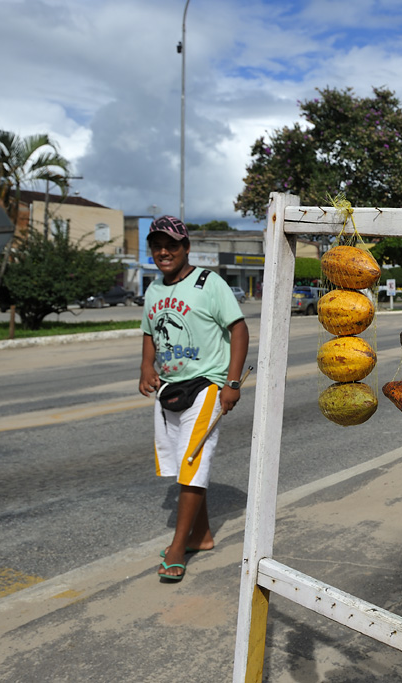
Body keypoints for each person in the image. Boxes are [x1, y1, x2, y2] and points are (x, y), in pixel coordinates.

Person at [138, 215, 250, 581]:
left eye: (171, 245)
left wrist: (231, 382)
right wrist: (145, 366)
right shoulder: (154, 290)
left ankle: (176, 549)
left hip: (206, 387)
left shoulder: (208, 283)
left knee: (191, 463)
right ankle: (200, 537)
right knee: (182, 465)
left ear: (186, 247)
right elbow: (149, 332)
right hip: (169, 388)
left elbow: (238, 329)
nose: (163, 252)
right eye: (157, 246)